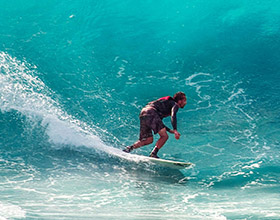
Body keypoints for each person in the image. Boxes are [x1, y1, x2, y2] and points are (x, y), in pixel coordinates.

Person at [123, 92, 187, 158]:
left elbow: (158, 121)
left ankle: (129, 149)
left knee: (148, 140)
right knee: (164, 136)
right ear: (179, 101)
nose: (186, 103)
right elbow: (173, 115)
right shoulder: (175, 104)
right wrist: (175, 130)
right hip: (151, 112)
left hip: (144, 112)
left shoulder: (166, 103)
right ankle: (153, 153)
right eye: (184, 100)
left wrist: (170, 130)